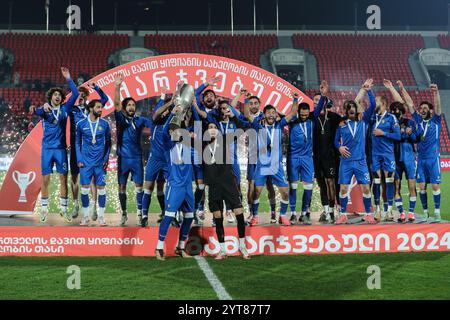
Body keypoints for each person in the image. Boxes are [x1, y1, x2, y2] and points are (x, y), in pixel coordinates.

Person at [30, 67, 79, 223]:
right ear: (51, 97)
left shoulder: (65, 108)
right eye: (55, 94)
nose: (58, 96)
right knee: (45, 180)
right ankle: (44, 209)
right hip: (47, 149)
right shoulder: (45, 109)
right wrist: (35, 108)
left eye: (60, 95)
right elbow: (37, 111)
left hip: (61, 150)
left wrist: (68, 78)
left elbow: (76, 94)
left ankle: (63, 210)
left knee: (63, 178)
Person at [243, 92, 300, 226]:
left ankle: (282, 216)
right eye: (268, 113)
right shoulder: (259, 126)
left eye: (273, 112)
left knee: (285, 192)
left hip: (276, 166)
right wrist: (246, 100)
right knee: (257, 192)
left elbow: (292, 114)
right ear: (264, 114)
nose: (270, 115)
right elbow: (247, 115)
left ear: (276, 115)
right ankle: (255, 216)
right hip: (262, 166)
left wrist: (295, 99)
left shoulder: (280, 125)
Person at [155, 103, 198, 260]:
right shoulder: (168, 146)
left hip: (187, 187)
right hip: (174, 186)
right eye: (173, 130)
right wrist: (173, 114)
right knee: (168, 216)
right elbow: (162, 134)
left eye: (179, 130)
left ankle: (180, 247)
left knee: (189, 217)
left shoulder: (188, 146)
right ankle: (159, 248)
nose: (176, 132)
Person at [203, 120, 250, 259]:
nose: (212, 129)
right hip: (214, 186)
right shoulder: (201, 144)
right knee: (217, 216)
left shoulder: (224, 140)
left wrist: (233, 116)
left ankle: (242, 247)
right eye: (209, 127)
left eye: (214, 127)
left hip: (228, 183)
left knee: (239, 211)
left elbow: (241, 129)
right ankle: (222, 251)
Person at [335, 79, 377, 225]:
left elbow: (373, 105)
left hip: (360, 161)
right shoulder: (342, 124)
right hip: (345, 162)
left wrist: (368, 91)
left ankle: (369, 214)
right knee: (344, 188)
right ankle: (343, 214)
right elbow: (335, 141)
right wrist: (339, 147)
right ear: (347, 111)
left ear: (357, 110)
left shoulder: (363, 122)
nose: (352, 109)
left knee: (365, 187)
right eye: (350, 108)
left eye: (354, 107)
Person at [113, 73, 153, 226]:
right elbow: (116, 103)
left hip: (137, 158)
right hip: (123, 158)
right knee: (121, 187)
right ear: (124, 108)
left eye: (133, 105)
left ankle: (139, 214)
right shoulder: (120, 119)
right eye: (128, 105)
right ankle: (123, 213)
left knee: (139, 187)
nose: (131, 107)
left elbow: (154, 124)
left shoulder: (141, 120)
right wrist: (117, 86)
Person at [287, 80, 328, 225]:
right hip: (293, 157)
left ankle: (305, 212)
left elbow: (317, 109)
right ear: (299, 113)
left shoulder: (312, 118)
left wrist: (323, 95)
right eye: (302, 115)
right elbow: (290, 113)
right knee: (292, 186)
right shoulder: (292, 121)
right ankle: (292, 213)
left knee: (308, 186)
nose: (304, 116)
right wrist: (295, 100)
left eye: (306, 114)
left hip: (307, 158)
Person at [233, 92, 277, 225]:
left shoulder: (266, 117)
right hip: (252, 157)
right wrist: (242, 96)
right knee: (251, 186)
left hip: (267, 157)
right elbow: (232, 107)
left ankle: (274, 212)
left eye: (255, 103)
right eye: (250, 103)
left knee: (269, 185)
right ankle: (253, 213)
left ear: (260, 104)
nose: (253, 105)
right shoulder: (246, 118)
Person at [402, 82, 442, 223]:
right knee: (422, 186)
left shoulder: (436, 120)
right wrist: (402, 88)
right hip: (421, 159)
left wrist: (435, 92)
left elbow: (437, 106)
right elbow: (410, 103)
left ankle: (437, 213)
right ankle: (425, 212)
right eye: (422, 108)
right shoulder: (418, 120)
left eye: (426, 108)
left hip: (433, 158)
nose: (423, 110)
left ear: (430, 111)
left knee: (435, 186)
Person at [68, 83, 108, 221]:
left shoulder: (90, 109)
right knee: (74, 178)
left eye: (83, 95)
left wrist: (97, 88)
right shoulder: (71, 109)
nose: (81, 97)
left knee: (92, 179)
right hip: (75, 148)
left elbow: (105, 99)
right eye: (79, 95)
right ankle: (75, 204)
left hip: (91, 151)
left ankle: (94, 206)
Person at [383, 79, 418, 223]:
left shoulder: (410, 122)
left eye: (397, 110)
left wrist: (410, 133)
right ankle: (402, 213)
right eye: (393, 110)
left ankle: (411, 213)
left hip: (409, 158)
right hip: (395, 158)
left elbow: (416, 139)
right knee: (396, 186)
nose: (395, 112)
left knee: (411, 186)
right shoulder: (391, 124)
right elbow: (391, 138)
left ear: (402, 112)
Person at [75, 99, 111, 226]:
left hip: (99, 163)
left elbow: (109, 143)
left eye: (101, 107)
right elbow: (77, 142)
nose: (101, 110)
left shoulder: (105, 124)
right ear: (91, 109)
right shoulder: (81, 124)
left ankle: (101, 216)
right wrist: (79, 159)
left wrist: (106, 159)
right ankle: (85, 216)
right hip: (85, 163)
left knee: (101, 189)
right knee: (84, 189)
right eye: (98, 107)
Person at [141, 88, 174, 227]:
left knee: (168, 188)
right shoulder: (154, 121)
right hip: (154, 159)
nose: (165, 111)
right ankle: (144, 216)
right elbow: (158, 111)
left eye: (167, 110)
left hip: (167, 159)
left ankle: (170, 215)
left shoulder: (172, 122)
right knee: (148, 187)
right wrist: (169, 101)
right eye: (164, 109)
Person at [369, 83, 401, 222]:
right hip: (375, 154)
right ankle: (377, 210)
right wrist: (368, 90)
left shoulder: (391, 118)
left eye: (375, 102)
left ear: (382, 103)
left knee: (388, 182)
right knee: (376, 181)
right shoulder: (372, 117)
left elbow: (398, 136)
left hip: (388, 154)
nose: (373, 104)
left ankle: (388, 211)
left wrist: (383, 133)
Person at [313, 93, 342, 223]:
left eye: (319, 100)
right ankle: (326, 211)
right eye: (315, 100)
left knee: (332, 183)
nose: (315, 102)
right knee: (321, 184)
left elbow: (347, 123)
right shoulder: (312, 117)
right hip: (316, 156)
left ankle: (336, 210)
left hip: (331, 156)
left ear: (325, 102)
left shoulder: (333, 117)